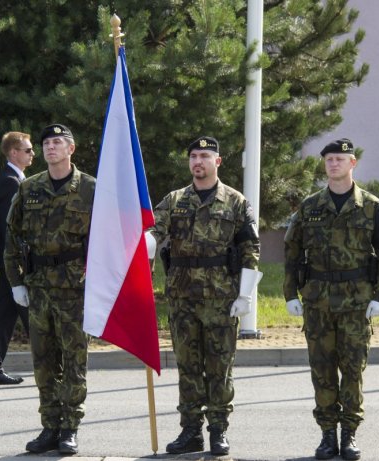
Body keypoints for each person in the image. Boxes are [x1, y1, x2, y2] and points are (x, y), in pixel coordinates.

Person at [283, 138, 379, 460]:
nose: (334, 164)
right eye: (329, 159)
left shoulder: (371, 206)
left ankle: (349, 434)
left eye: (340, 159)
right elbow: (292, 251)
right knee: (321, 369)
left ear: (352, 163)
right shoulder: (309, 207)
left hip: (357, 300)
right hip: (318, 301)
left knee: (352, 370)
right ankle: (326, 435)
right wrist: (290, 293)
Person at [146, 136, 261, 456]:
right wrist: (145, 242)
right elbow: (156, 230)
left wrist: (246, 295)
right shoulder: (174, 200)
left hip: (221, 299)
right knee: (188, 366)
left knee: (220, 367)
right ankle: (191, 431)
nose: (198, 161)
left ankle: (219, 430)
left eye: (205, 156)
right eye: (194, 156)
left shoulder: (235, 201)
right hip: (183, 297)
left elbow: (250, 248)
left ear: (217, 162)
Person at [3, 124, 95, 456]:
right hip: (39, 287)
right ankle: (50, 426)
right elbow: (11, 238)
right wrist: (16, 282)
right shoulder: (29, 188)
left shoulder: (89, 189)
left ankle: (70, 427)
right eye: (45, 143)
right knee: (43, 361)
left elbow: (106, 240)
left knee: (73, 360)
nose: (50, 148)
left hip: (75, 288)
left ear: (71, 149)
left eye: (57, 142)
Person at [0, 131, 34, 385]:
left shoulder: (14, 179)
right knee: (30, 311)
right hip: (13, 260)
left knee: (5, 314)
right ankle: (51, 363)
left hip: (11, 260)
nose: (32, 154)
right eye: (28, 150)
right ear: (14, 153)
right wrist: (18, 259)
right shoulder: (11, 182)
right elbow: (9, 227)